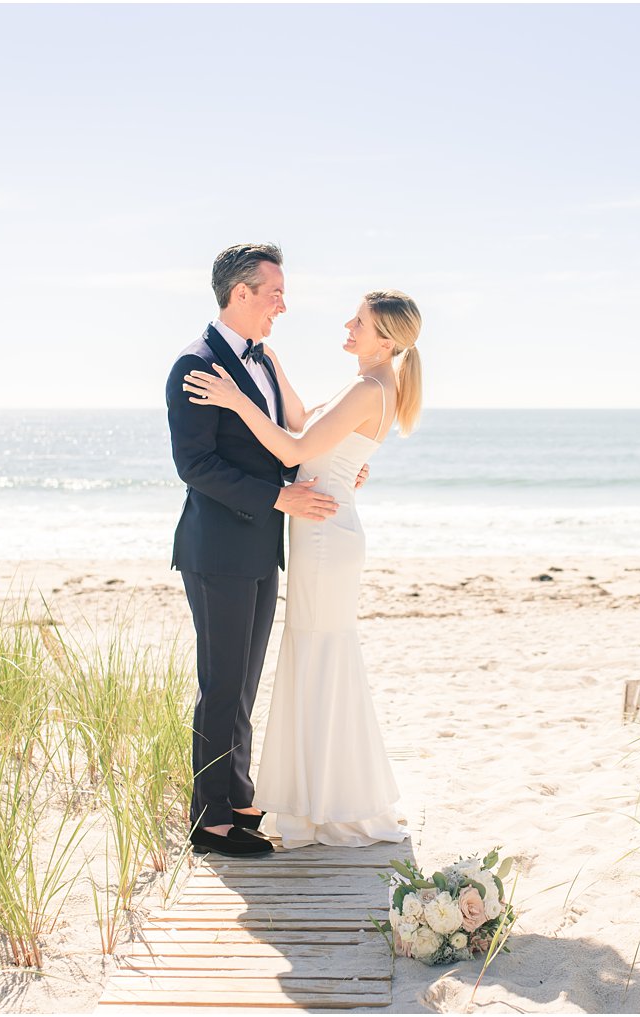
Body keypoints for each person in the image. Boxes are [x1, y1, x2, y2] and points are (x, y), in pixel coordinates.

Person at [183, 289, 423, 848]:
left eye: (358, 322)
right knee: (320, 654)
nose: (348, 324)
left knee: (321, 655)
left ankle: (327, 804)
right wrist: (270, 367)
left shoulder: (369, 388)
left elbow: (293, 450)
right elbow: (303, 420)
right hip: (326, 529)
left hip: (322, 536)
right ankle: (324, 797)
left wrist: (236, 400)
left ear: (385, 340)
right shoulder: (373, 384)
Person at [166, 243, 350, 858]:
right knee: (221, 684)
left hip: (260, 548)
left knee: (244, 682)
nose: (283, 304)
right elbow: (196, 466)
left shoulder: (264, 362)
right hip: (217, 547)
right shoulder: (194, 364)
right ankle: (209, 822)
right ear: (239, 293)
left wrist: (337, 469)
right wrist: (279, 499)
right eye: (274, 292)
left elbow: (288, 437)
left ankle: (240, 801)